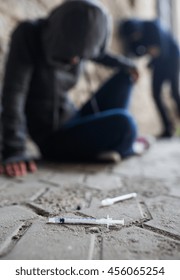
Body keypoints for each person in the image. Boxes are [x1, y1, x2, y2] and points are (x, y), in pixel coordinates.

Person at [0, 0, 142, 177]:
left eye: (81, 56)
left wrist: (128, 65)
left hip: (74, 118)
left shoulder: (81, 46)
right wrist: (14, 150)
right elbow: (14, 93)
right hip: (54, 138)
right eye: (73, 55)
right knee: (125, 124)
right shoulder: (28, 35)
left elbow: (99, 54)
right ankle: (122, 145)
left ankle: (114, 146)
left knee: (125, 76)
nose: (76, 61)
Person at [119, 19, 180, 138]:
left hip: (173, 59)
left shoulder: (153, 26)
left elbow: (161, 50)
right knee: (156, 93)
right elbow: (139, 52)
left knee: (174, 92)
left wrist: (150, 53)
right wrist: (149, 52)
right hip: (159, 64)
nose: (135, 37)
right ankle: (168, 127)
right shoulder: (134, 36)